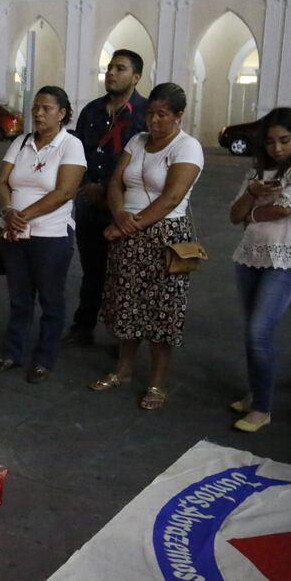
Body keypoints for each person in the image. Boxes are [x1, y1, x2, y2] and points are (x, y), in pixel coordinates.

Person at [90, 83, 204, 410]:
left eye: (162, 115)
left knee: (161, 310)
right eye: (150, 114)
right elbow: (115, 182)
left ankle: (157, 381)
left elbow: (171, 198)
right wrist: (120, 214)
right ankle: (123, 370)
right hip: (128, 231)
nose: (153, 122)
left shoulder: (188, 147)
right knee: (127, 303)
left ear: (179, 116)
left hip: (166, 236)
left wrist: (130, 225)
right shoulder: (137, 141)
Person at [0, 86, 86, 381]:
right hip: (14, 234)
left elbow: (65, 191)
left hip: (51, 235)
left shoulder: (71, 146)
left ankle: (44, 357)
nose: (38, 114)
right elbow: (2, 181)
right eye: (35, 108)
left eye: (46, 108)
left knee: (51, 298)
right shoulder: (21, 142)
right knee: (19, 297)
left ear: (62, 113)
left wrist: (24, 216)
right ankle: (12, 352)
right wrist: (8, 212)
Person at [227, 108, 291, 432]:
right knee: (252, 332)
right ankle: (255, 393)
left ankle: (262, 409)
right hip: (251, 256)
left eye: (285, 140)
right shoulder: (256, 173)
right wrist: (252, 195)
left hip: (286, 260)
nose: (277, 148)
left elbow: (285, 209)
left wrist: (254, 211)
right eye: (271, 141)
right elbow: (235, 215)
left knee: (259, 332)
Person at [64, 49, 148, 347]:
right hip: (89, 203)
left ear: (136, 77)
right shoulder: (92, 111)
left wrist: (112, 192)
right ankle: (83, 324)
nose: (111, 73)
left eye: (120, 68)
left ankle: (122, 335)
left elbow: (148, 160)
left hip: (127, 206)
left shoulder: (145, 114)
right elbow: (80, 154)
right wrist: (87, 186)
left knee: (126, 274)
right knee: (92, 269)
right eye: (110, 67)